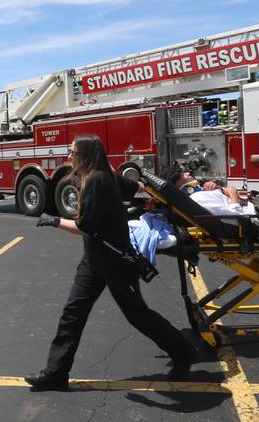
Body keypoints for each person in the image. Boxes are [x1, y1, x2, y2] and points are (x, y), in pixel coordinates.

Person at [27, 135, 196, 391]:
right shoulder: (103, 174)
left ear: (85, 154)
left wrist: (54, 221)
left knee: (137, 315)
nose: (68, 156)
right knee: (73, 313)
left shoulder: (97, 179)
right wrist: (146, 191)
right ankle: (55, 373)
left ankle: (183, 353)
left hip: (115, 261)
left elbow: (86, 227)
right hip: (93, 261)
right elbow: (134, 187)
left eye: (72, 152)